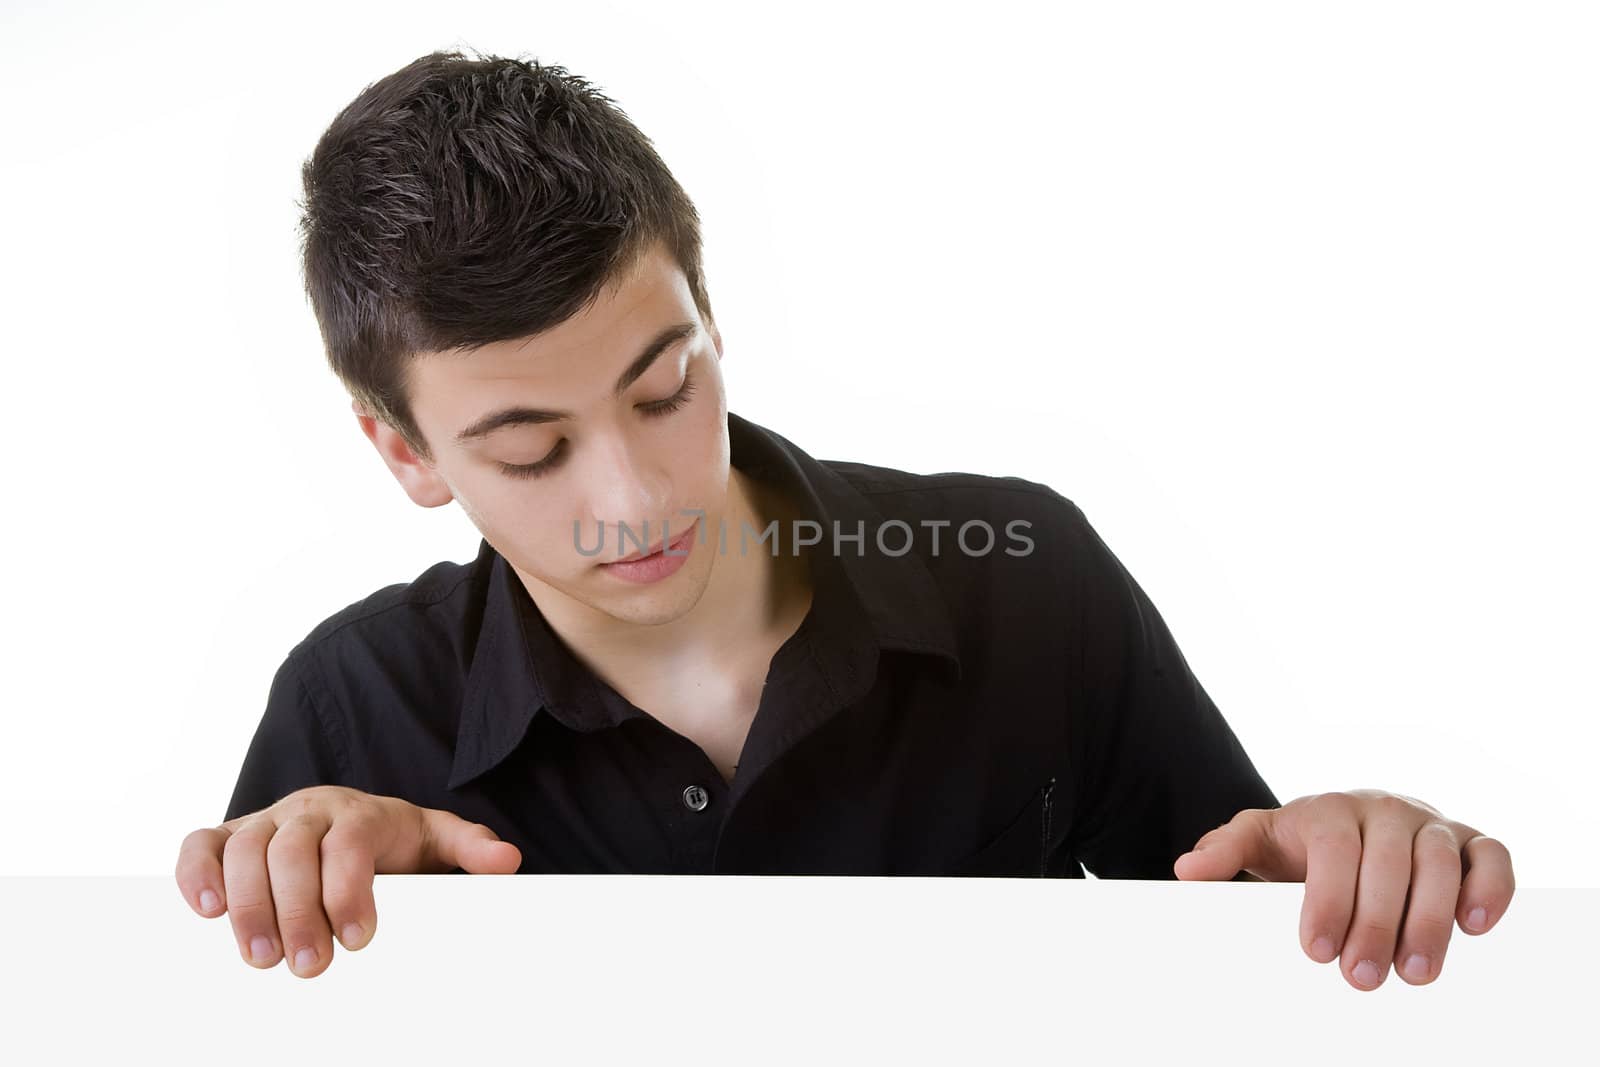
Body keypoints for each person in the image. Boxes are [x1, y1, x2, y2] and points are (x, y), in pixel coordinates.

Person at [172, 49, 1514, 989]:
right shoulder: (352, 709)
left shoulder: (1030, 582)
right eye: (530, 451)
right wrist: (325, 930)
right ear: (404, 453)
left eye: (664, 388)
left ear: (709, 317)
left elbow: (1258, 946)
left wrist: (1349, 867)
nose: (633, 502)